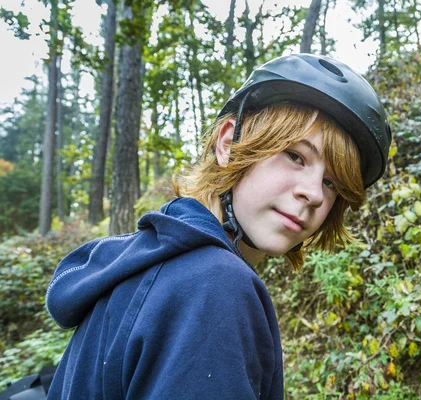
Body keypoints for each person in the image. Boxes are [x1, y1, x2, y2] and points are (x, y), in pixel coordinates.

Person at [44, 53, 391, 399]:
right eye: (295, 155)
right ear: (228, 144)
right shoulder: (214, 286)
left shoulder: (150, 264)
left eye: (331, 182)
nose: (314, 193)